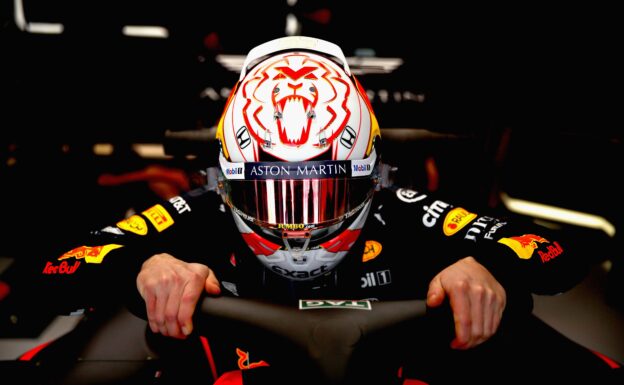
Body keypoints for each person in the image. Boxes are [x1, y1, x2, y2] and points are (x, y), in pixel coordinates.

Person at [28, 36, 620, 384]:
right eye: (271, 191)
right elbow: (57, 270)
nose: (298, 222)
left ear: (370, 178)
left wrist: (482, 268)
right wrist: (146, 264)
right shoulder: (201, 210)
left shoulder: (403, 207)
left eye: (322, 191)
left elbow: (554, 257)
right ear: (228, 181)